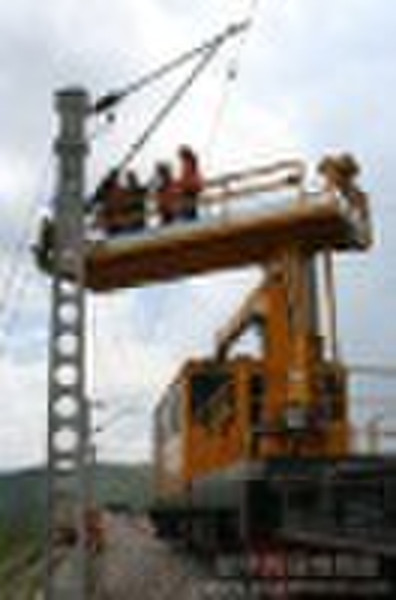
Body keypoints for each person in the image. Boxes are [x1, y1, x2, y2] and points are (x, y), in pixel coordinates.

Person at [175, 145, 204, 220]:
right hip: (191, 187)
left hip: (190, 188)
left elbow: (186, 176)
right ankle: (190, 218)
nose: (180, 157)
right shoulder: (190, 161)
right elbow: (186, 176)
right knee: (190, 207)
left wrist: (179, 183)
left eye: (180, 155)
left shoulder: (188, 162)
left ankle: (190, 219)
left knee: (189, 207)